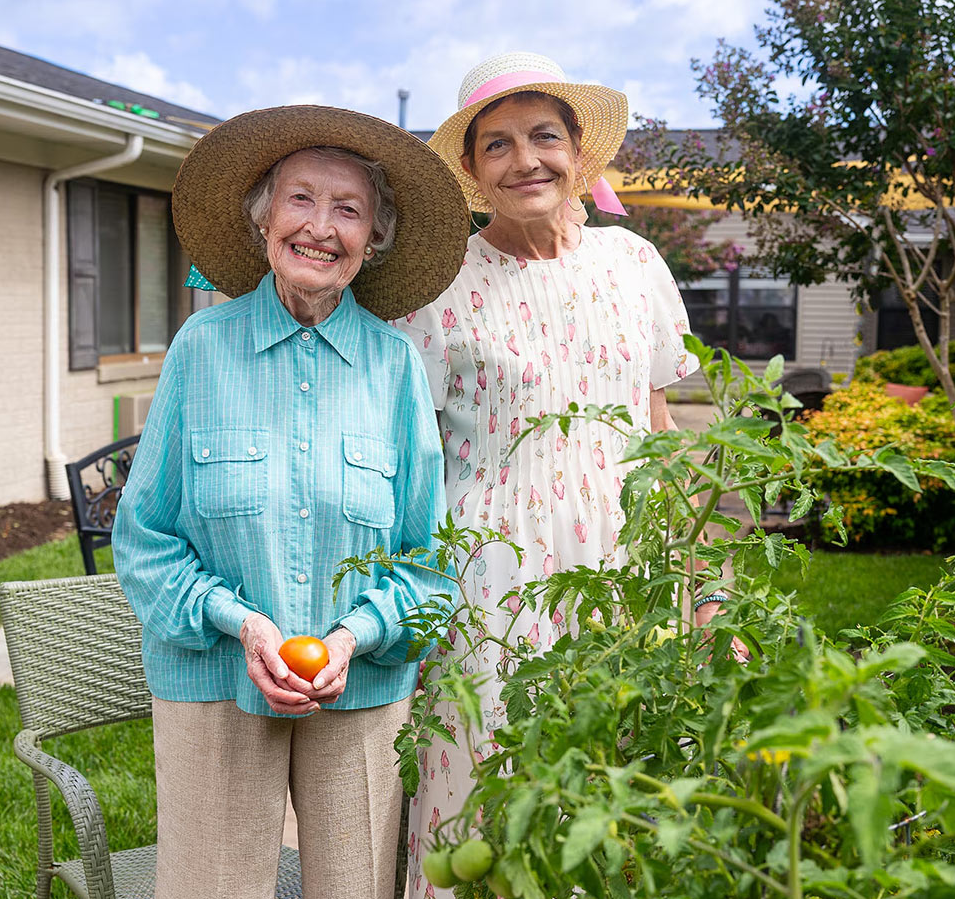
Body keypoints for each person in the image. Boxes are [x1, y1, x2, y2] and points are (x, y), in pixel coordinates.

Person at [392, 52, 730, 898]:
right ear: (471, 170)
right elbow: (412, 455)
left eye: (544, 136)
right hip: (491, 581)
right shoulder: (439, 285)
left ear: (580, 151)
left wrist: (702, 579)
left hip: (630, 569)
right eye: (496, 144)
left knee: (625, 782)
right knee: (487, 792)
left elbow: (661, 433)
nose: (525, 160)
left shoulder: (633, 264)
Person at [112, 104, 469, 899]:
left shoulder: (395, 368)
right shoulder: (201, 350)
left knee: (357, 886)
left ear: (372, 240)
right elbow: (143, 539)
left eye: (349, 210)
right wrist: (241, 624)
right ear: (264, 220)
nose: (320, 227)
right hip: (214, 681)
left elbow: (431, 564)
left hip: (365, 688)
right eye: (300, 199)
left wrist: (353, 635)